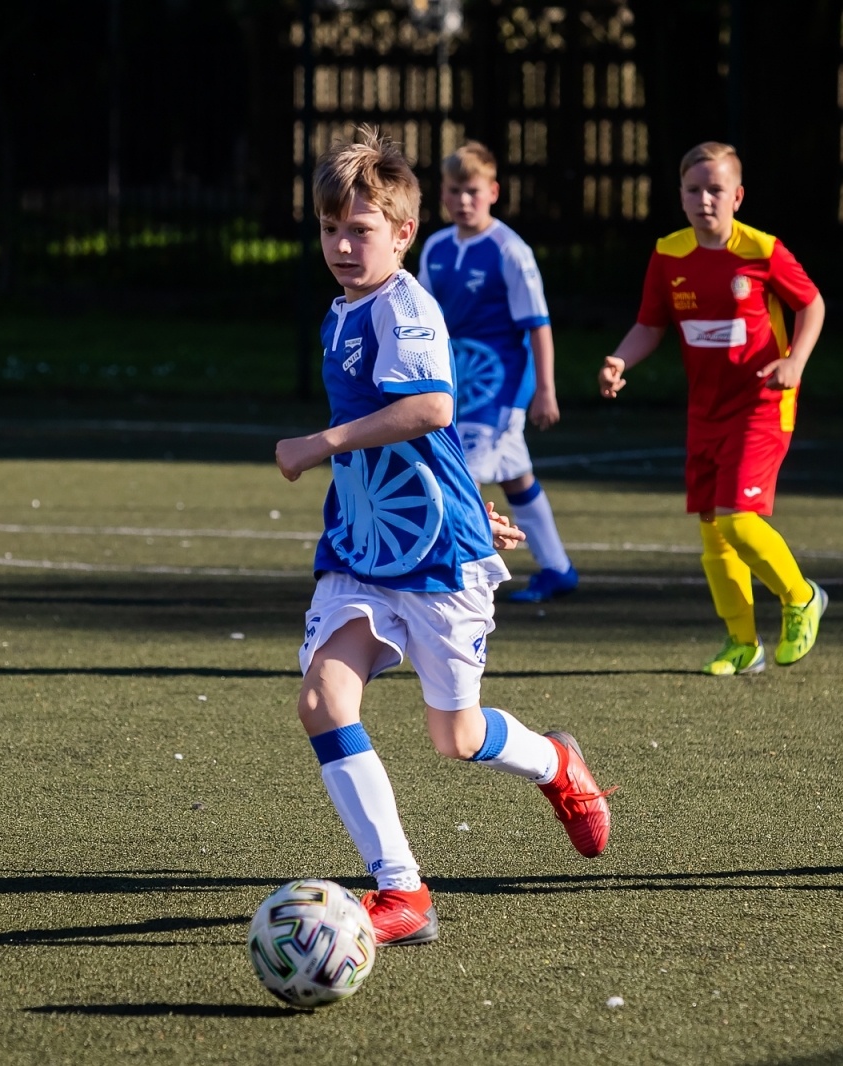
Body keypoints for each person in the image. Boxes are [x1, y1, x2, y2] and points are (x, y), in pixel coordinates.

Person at [274, 126, 614, 946]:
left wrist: (321, 443)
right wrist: (459, 497)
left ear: (403, 233)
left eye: (360, 230)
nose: (342, 245)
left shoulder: (405, 305)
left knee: (455, 738)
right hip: (364, 547)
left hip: (434, 561)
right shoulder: (343, 311)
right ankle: (403, 891)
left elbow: (431, 408)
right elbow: (424, 442)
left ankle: (557, 764)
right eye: (329, 229)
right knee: (322, 701)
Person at [597, 141, 827, 675]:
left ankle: (801, 597)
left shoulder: (763, 251)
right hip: (705, 413)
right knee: (714, 535)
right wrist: (620, 359)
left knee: (739, 521)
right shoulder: (668, 254)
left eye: (716, 190)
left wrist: (795, 361)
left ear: (737, 197)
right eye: (694, 189)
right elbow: (650, 324)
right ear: (680, 195)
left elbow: (811, 303)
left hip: (762, 405)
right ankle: (743, 644)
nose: (705, 199)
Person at [418, 141, 578, 603]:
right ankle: (558, 569)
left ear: (493, 192)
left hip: (500, 389)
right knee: (516, 477)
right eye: (454, 191)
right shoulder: (436, 247)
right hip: (457, 384)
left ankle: (461, 577)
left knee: (461, 477)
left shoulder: (510, 250)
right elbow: (425, 319)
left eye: (472, 190)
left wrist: (545, 390)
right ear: (443, 195)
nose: (463, 200)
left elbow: (537, 324)